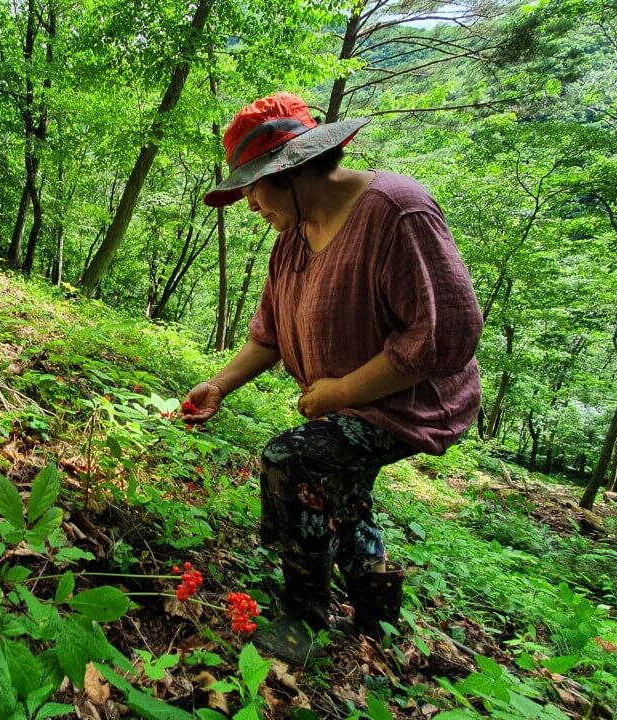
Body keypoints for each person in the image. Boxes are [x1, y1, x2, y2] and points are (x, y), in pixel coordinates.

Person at [183, 93, 482, 663]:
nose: (249, 203)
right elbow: (268, 334)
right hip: (348, 404)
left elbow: (446, 334)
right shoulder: (292, 237)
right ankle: (377, 613)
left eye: (253, 186)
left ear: (289, 170)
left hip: (411, 401)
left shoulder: (398, 211)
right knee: (342, 494)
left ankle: (303, 613)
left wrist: (340, 393)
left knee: (293, 461)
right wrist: (220, 384)